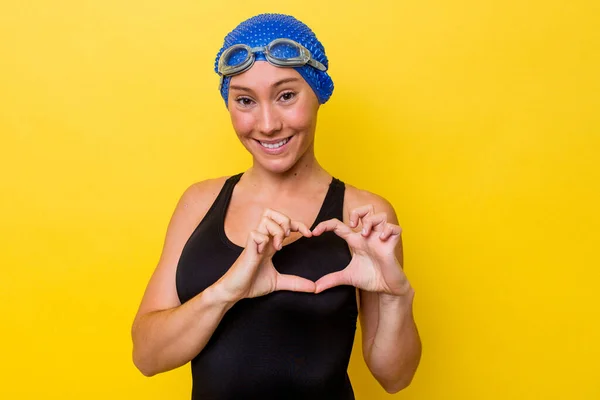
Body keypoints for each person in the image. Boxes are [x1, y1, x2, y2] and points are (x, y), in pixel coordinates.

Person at [131, 13, 421, 399]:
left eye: (286, 96)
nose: (267, 124)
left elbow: (394, 377)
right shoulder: (198, 203)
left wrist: (394, 297)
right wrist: (227, 291)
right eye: (245, 100)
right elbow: (147, 357)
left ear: (316, 93)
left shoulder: (364, 215)